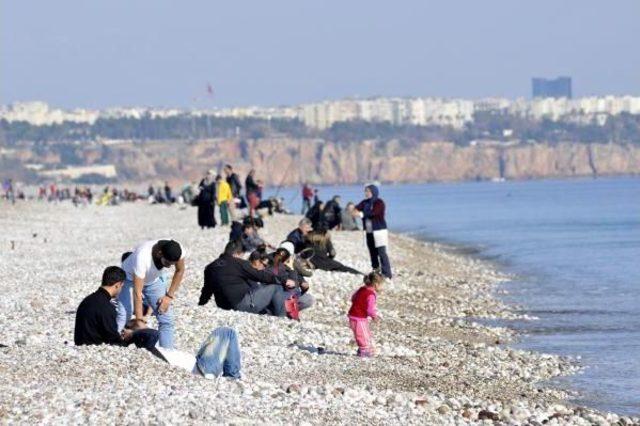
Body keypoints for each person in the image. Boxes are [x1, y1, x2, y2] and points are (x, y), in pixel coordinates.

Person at [117, 239, 186, 348]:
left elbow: (180, 271)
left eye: (172, 264)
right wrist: (139, 321)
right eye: (167, 263)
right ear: (159, 253)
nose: (168, 267)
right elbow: (137, 293)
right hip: (129, 278)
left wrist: (168, 296)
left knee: (166, 318)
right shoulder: (142, 257)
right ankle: (113, 343)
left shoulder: (178, 250)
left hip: (153, 281)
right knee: (124, 314)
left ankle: (167, 352)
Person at [198, 240, 296, 317]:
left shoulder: (210, 267)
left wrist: (200, 305)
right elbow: (260, 276)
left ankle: (269, 312)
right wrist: (283, 280)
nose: (242, 257)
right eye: (241, 255)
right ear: (236, 254)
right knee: (276, 287)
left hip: (223, 306)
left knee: (259, 290)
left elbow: (206, 290)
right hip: (240, 305)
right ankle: (281, 318)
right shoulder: (238, 263)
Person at [74, 266, 159, 351]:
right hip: (97, 347)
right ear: (117, 285)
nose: (121, 289)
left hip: (82, 343)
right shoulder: (106, 306)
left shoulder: (88, 300)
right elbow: (112, 339)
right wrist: (128, 336)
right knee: (152, 334)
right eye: (122, 286)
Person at [155, 327, 242, 379]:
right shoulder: (154, 350)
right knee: (228, 332)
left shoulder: (156, 352)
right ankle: (232, 376)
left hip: (197, 364)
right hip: (200, 368)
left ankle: (232, 375)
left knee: (225, 333)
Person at [354, 184, 392, 279]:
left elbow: (374, 213)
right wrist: (354, 211)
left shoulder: (379, 202)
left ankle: (387, 273)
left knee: (381, 252)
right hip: (369, 231)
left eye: (368, 191)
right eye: (365, 191)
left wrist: (361, 213)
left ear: (373, 192)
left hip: (379, 231)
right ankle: (376, 271)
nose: (366, 193)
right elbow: (356, 209)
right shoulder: (365, 202)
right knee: (372, 252)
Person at [348, 272, 383, 357]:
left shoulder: (362, 289)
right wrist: (374, 317)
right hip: (359, 318)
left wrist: (358, 304)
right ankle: (365, 351)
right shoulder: (371, 294)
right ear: (376, 284)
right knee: (364, 335)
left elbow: (353, 298)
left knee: (362, 333)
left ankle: (361, 350)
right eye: (381, 285)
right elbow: (370, 310)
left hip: (352, 316)